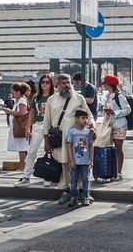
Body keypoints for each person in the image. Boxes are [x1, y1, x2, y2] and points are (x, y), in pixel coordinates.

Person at [43, 73, 95, 204]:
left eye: (68, 82)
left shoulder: (79, 98)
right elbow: (46, 122)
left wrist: (93, 127)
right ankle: (67, 191)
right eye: (63, 83)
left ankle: (84, 191)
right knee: (65, 163)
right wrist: (46, 142)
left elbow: (89, 115)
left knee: (81, 163)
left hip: (79, 140)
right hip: (59, 138)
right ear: (57, 85)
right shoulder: (51, 100)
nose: (67, 85)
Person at [13, 75, 54, 187]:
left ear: (51, 84)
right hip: (37, 126)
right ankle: (26, 177)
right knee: (31, 152)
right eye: (42, 82)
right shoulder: (36, 97)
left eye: (47, 82)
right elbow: (31, 113)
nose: (45, 84)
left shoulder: (54, 97)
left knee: (49, 153)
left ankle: (48, 176)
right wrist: (27, 128)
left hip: (51, 128)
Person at [101, 75, 131, 180]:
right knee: (109, 148)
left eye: (104, 83)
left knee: (118, 148)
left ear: (109, 84)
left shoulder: (120, 97)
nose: (103, 85)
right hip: (109, 125)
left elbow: (128, 109)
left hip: (119, 125)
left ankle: (119, 171)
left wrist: (114, 112)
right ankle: (110, 170)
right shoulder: (108, 96)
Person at [66, 108, 94, 207]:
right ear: (76, 119)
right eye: (83, 118)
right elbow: (69, 146)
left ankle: (85, 196)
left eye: (87, 118)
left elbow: (91, 146)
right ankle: (73, 197)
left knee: (86, 179)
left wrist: (91, 159)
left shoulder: (88, 132)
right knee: (73, 179)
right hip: (75, 161)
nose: (85, 120)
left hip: (85, 161)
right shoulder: (72, 132)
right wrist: (71, 160)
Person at [3, 82, 31, 170]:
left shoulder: (22, 100)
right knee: (21, 147)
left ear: (19, 92)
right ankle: (22, 164)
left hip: (20, 127)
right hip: (18, 126)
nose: (12, 94)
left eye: (13, 92)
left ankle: (22, 165)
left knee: (22, 147)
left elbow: (22, 112)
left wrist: (9, 112)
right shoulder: (19, 100)